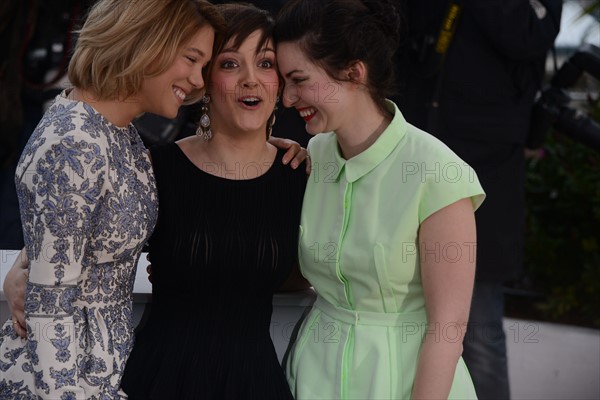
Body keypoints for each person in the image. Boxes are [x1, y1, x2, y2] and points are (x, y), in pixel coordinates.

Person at [0, 0, 223, 397]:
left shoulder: (120, 133)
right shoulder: (74, 139)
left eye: (203, 66)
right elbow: (50, 306)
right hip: (60, 382)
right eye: (191, 59)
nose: (196, 79)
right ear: (145, 40)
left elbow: (65, 241)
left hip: (105, 372)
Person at [274, 0, 486, 398]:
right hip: (312, 375)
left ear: (354, 73)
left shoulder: (438, 171)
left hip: (405, 382)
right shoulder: (314, 156)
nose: (287, 98)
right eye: (285, 81)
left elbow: (448, 330)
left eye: (298, 80)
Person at [118, 3, 307, 399]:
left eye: (266, 63)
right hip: (159, 379)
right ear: (204, 80)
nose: (251, 80)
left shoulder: (300, 175)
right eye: (231, 64)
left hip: (254, 383)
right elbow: (80, 236)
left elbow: (309, 271)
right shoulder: (155, 168)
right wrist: (25, 264)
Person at [393, 1, 562, 398]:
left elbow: (527, 35)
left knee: (479, 332)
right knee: (402, 313)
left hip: (487, 166)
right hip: (415, 150)